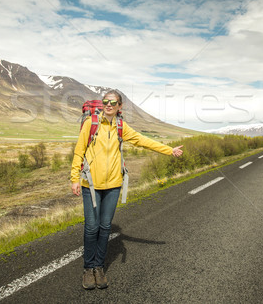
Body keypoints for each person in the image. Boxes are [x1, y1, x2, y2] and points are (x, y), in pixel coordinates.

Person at [71, 90, 183, 290]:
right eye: (105, 101)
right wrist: (74, 179)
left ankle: (99, 267)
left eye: (113, 103)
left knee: (105, 227)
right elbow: (79, 151)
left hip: (114, 185)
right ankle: (88, 269)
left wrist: (169, 150)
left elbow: (143, 140)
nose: (108, 105)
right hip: (91, 184)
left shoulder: (121, 127)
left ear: (119, 106)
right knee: (91, 227)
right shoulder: (91, 124)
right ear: (102, 104)